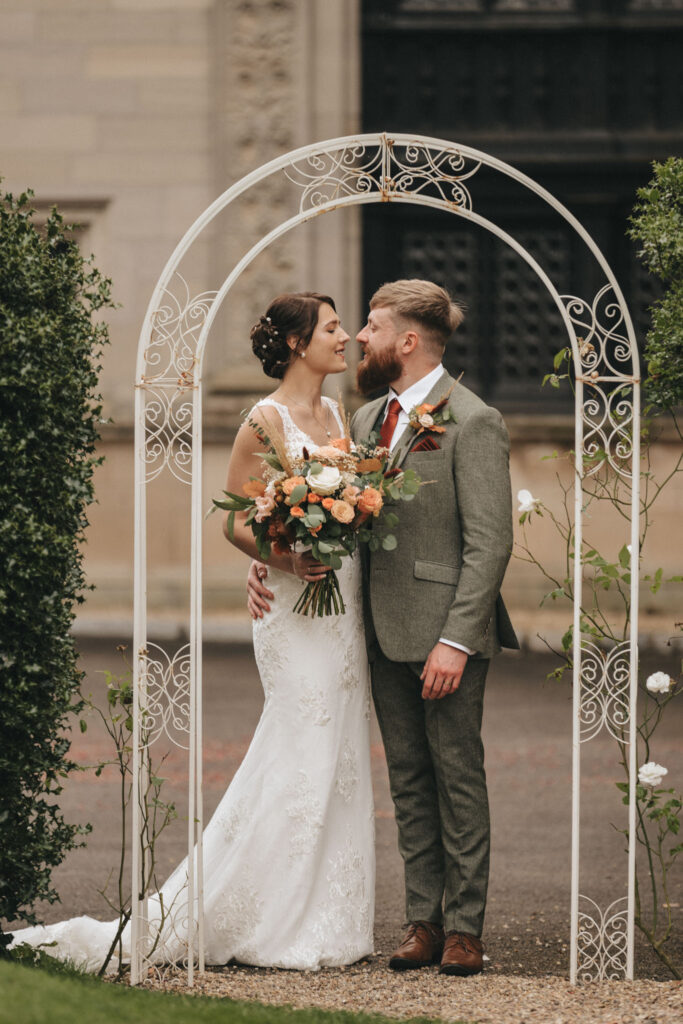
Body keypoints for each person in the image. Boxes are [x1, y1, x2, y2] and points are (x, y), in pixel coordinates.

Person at [9, 292, 375, 972]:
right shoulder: (261, 422)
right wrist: (281, 557)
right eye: (331, 327)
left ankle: (326, 913)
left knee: (341, 756)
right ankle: (255, 912)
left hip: (340, 602)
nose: (345, 336)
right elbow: (235, 520)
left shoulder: (337, 415)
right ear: (297, 343)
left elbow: (348, 507)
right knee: (302, 742)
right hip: (293, 606)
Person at [248, 279, 519, 977]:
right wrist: (273, 560)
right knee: (406, 779)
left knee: (456, 777)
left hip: (445, 637)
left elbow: (488, 544)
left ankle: (464, 929)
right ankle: (422, 921)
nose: (359, 338)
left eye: (370, 325)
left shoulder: (473, 419)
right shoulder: (362, 422)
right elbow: (336, 523)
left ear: (407, 340)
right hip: (372, 630)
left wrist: (456, 641)